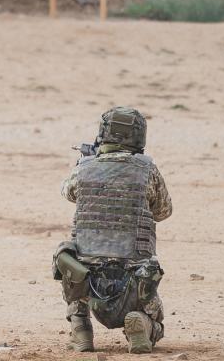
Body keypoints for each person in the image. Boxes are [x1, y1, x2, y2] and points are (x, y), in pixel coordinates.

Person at [54, 106, 171, 355]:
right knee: (155, 319)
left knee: (67, 255)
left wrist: (86, 165)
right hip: (134, 277)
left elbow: (68, 192)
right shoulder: (147, 169)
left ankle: (81, 328)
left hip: (87, 278)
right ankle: (141, 323)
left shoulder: (84, 168)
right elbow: (163, 211)